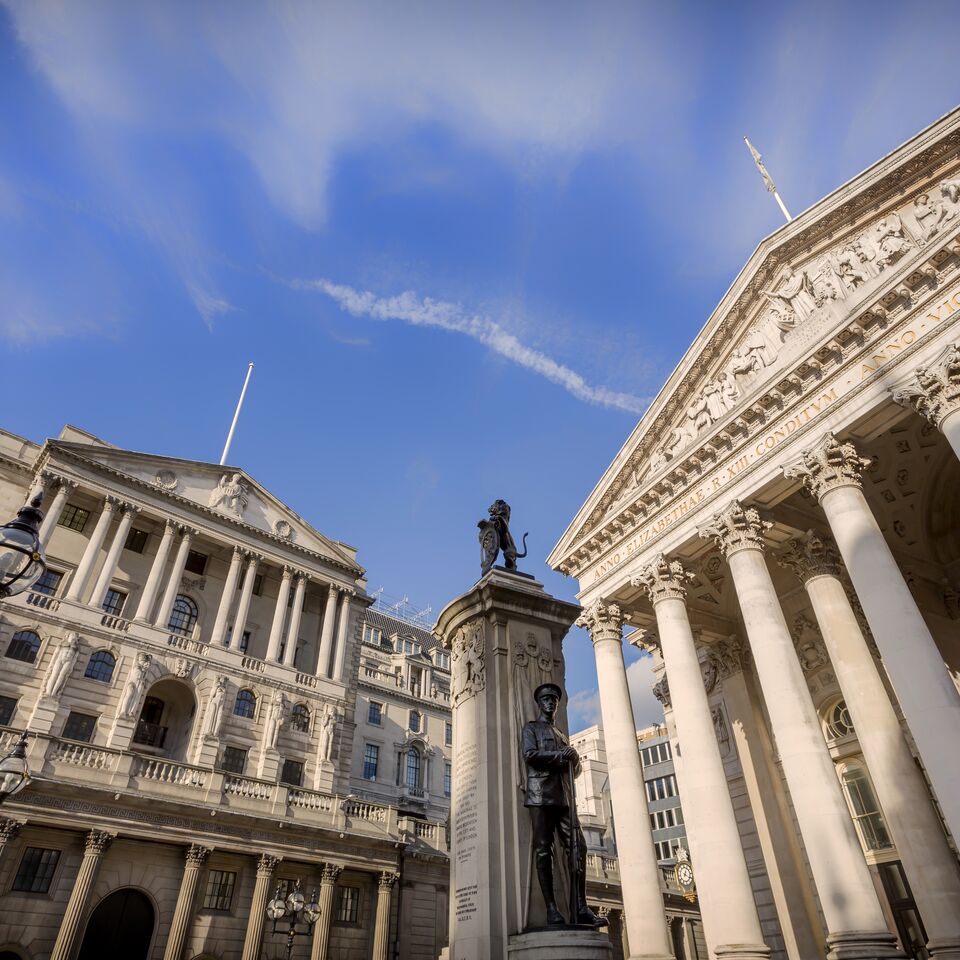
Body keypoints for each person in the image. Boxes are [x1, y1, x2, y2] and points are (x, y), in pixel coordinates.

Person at [521, 683, 605, 928]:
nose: (550, 703)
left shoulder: (561, 735)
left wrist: (576, 760)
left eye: (554, 700)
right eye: (546, 699)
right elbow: (530, 755)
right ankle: (551, 909)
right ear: (540, 703)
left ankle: (580, 907)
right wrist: (561, 757)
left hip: (564, 798)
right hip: (540, 795)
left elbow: (574, 770)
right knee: (543, 850)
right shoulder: (532, 728)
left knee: (578, 848)